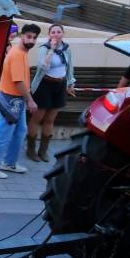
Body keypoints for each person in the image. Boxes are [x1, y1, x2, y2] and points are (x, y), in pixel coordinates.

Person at [0, 23, 40, 179]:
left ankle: (9, 163)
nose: (32, 40)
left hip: (17, 99)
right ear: (22, 36)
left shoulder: (21, 51)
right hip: (10, 100)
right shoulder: (16, 54)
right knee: (2, 134)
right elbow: (18, 81)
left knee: (20, 131)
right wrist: (30, 101)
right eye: (29, 36)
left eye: (34, 38)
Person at [26, 23, 76, 163]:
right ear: (49, 35)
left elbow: (69, 66)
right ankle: (31, 150)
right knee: (37, 118)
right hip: (44, 85)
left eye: (58, 32)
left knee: (50, 120)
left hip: (59, 86)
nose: (56, 34)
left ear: (63, 34)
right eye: (53, 32)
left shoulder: (67, 49)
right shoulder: (44, 48)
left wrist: (71, 82)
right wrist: (52, 49)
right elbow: (43, 66)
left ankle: (43, 151)